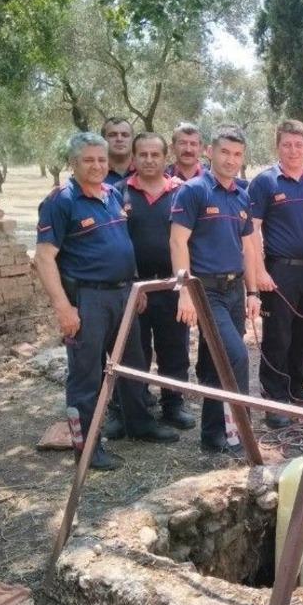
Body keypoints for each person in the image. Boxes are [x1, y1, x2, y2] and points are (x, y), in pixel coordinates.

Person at [33, 132, 179, 471]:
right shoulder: (61, 201)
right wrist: (63, 308)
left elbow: (122, 244)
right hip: (88, 300)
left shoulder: (112, 194)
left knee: (133, 364)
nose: (97, 166)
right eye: (89, 160)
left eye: (101, 159)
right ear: (73, 163)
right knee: (86, 376)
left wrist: (134, 286)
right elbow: (44, 258)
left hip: (124, 295)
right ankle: (87, 448)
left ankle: (139, 424)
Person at [170, 128, 261, 457]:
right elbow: (177, 242)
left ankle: (212, 436)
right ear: (210, 151)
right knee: (236, 357)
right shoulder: (193, 191)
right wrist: (185, 292)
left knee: (213, 363)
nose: (231, 160)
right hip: (206, 290)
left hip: (235, 289)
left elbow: (248, 248)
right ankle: (241, 436)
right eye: (225, 152)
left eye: (237, 154)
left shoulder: (242, 196)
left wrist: (252, 292)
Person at [249, 120, 303, 427]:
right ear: (277, 147)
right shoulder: (264, 182)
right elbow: (252, 230)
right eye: (287, 144)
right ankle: (274, 401)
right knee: (278, 337)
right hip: (279, 271)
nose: (293, 150)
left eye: (299, 145)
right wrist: (259, 271)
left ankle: (297, 387)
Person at [118, 132, 196, 431]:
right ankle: (133, 410)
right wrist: (131, 283)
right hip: (134, 289)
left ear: (166, 157)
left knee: (174, 349)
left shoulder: (181, 192)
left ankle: (173, 406)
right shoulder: (118, 193)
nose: (149, 160)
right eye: (143, 154)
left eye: (155, 155)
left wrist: (185, 287)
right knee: (134, 351)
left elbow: (190, 241)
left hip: (171, 286)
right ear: (134, 158)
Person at [102, 117, 135, 185]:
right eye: (112, 135)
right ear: (103, 140)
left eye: (125, 135)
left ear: (133, 140)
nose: (119, 139)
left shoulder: (145, 169)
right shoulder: (94, 172)